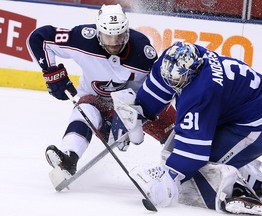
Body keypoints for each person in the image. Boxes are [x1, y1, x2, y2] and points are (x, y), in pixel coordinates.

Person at [112, 41, 262, 215]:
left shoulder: (201, 91)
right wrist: (137, 114)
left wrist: (168, 179)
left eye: (177, 79)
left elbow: (193, 154)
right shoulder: (175, 58)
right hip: (241, 109)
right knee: (176, 150)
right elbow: (158, 86)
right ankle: (251, 174)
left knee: (201, 174)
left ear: (191, 73)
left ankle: (240, 190)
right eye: (169, 76)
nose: (172, 81)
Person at [27, 4, 176, 177]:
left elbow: (155, 90)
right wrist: (52, 73)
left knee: (174, 130)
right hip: (96, 101)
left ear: (126, 32)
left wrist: (134, 119)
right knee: (84, 109)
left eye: (119, 36)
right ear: (98, 33)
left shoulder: (143, 54)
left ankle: (181, 167)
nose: (114, 43)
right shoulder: (81, 39)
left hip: (136, 103)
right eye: (108, 37)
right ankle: (68, 157)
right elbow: (39, 38)